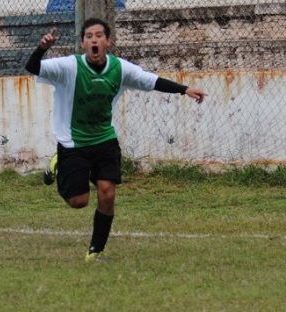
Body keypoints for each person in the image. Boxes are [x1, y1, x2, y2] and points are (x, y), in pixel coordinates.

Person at [25, 18, 206, 261]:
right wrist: (42, 48)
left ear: (108, 41)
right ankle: (57, 163)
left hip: (104, 140)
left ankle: (95, 251)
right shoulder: (69, 67)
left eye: (99, 35)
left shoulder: (120, 68)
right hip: (73, 143)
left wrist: (184, 89)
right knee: (78, 201)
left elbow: (150, 81)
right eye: (89, 36)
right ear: (82, 43)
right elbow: (33, 67)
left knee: (107, 193)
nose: (94, 40)